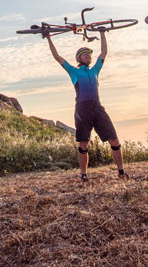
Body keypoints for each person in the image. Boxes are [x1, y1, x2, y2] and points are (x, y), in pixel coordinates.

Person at [46, 28, 129, 182]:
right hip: (82, 108)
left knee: (114, 141)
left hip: (97, 107)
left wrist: (102, 33)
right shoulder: (74, 72)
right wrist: (49, 37)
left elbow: (103, 53)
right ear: (79, 58)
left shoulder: (95, 70)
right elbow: (57, 57)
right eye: (85, 54)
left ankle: (121, 172)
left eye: (89, 54)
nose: (88, 56)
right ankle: (84, 175)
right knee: (84, 143)